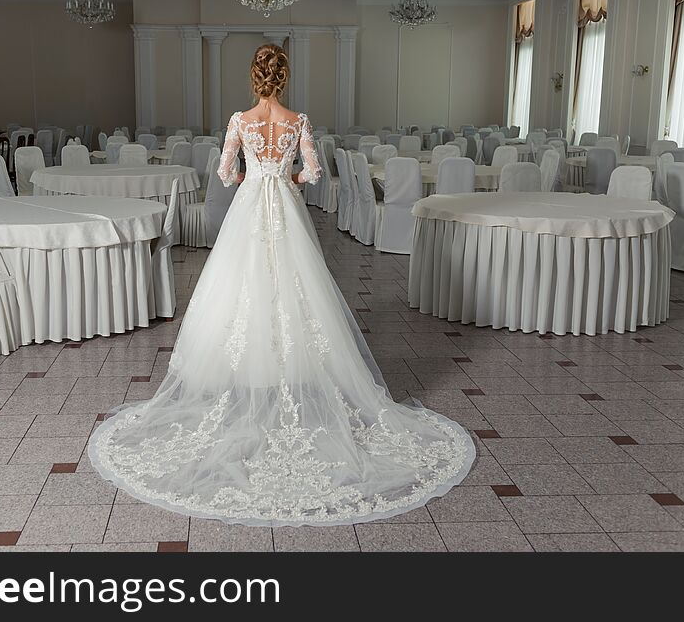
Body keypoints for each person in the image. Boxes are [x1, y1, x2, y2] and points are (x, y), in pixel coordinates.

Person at [88, 44, 475, 527]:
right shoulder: (298, 121)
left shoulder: (239, 121)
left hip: (250, 208)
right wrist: (285, 173)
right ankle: (294, 369)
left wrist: (256, 172)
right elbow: (313, 172)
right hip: (286, 211)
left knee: (241, 291)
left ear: (254, 78)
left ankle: (251, 373)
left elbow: (226, 175)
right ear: (284, 77)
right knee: (294, 287)